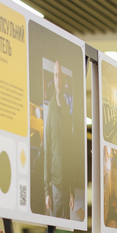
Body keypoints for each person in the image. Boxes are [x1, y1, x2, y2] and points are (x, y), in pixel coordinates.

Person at [44, 60, 76, 219]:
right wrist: (46, 191)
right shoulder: (50, 110)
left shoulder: (67, 112)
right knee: (55, 224)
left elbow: (71, 153)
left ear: (64, 80)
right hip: (55, 183)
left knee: (67, 221)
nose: (58, 80)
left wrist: (72, 191)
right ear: (54, 78)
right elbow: (47, 150)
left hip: (66, 183)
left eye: (60, 76)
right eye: (55, 76)